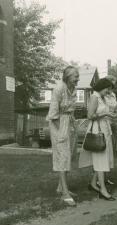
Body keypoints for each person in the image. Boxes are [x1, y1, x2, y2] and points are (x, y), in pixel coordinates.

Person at [79, 78, 117, 201]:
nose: (108, 91)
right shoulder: (94, 97)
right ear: (102, 87)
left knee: (104, 159)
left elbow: (104, 112)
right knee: (101, 159)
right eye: (107, 88)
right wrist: (106, 114)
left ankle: (93, 183)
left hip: (105, 129)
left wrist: (111, 115)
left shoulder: (102, 98)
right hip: (97, 130)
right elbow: (90, 116)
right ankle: (102, 190)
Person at [47, 66, 79, 206]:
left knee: (69, 156)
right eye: (75, 76)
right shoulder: (59, 89)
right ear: (67, 76)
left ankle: (61, 187)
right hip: (58, 125)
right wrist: (61, 131)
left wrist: (72, 125)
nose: (77, 79)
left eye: (77, 76)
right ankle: (65, 193)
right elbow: (53, 114)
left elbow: (71, 110)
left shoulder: (74, 90)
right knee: (62, 156)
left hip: (69, 124)